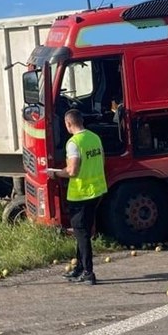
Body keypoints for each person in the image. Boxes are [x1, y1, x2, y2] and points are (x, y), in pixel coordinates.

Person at [47, 109, 108, 285]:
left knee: (81, 234)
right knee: (83, 232)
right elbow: (101, 161)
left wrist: (56, 174)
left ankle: (88, 272)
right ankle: (80, 268)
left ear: (68, 124)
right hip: (96, 191)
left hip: (80, 194)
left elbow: (72, 170)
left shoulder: (74, 143)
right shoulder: (94, 138)